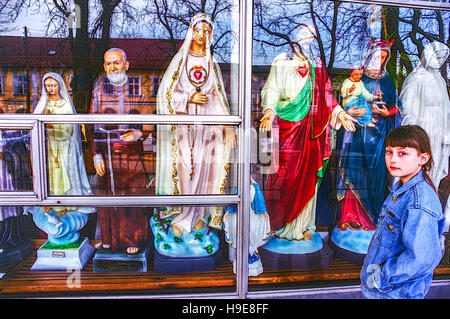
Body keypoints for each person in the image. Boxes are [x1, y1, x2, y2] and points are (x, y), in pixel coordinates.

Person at [259, 24, 356, 242]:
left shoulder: (316, 67)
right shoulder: (281, 63)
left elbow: (327, 96)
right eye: (304, 35)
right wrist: (268, 112)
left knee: (308, 179)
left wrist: (339, 113)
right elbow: (271, 89)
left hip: (311, 133)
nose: (308, 39)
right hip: (287, 130)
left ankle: (303, 226)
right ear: (293, 38)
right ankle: (282, 226)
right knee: (286, 177)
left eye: (311, 36)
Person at [155, 13, 235, 238]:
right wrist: (188, 98)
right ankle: (182, 216)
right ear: (192, 31)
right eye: (198, 30)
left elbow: (217, 96)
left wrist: (227, 126)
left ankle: (198, 214)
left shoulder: (211, 63)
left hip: (205, 129)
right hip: (182, 127)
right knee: (184, 169)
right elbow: (165, 94)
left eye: (207, 31)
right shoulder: (181, 61)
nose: (202, 35)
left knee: (203, 170)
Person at [361, 125, 445, 299]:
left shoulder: (419, 201)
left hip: (395, 293)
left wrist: (381, 278)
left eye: (402, 153)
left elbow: (422, 257)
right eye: (389, 152)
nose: (393, 159)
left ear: (423, 158)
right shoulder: (401, 190)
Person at [335, 39, 402, 232]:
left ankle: (370, 218)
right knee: (355, 170)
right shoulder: (360, 78)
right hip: (358, 133)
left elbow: (397, 105)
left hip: (381, 136)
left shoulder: (388, 79)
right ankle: (349, 216)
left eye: (383, 57)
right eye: (377, 57)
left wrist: (387, 113)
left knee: (376, 176)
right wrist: (352, 111)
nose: (380, 61)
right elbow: (347, 101)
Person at [90, 48, 151, 254]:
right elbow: (91, 124)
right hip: (106, 153)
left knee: (132, 197)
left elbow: (149, 123)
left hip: (131, 155)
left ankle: (133, 239)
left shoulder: (137, 89)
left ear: (126, 64)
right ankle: (110, 239)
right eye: (108, 63)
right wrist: (96, 154)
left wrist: (138, 133)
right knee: (108, 197)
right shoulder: (99, 89)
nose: (112, 67)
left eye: (116, 62)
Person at [29, 72, 95, 245]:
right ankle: (49, 203)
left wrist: (52, 128)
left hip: (63, 149)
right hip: (48, 149)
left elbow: (69, 130)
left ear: (59, 86)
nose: (51, 88)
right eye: (48, 85)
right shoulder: (43, 104)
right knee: (50, 178)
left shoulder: (65, 105)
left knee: (63, 176)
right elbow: (35, 126)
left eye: (53, 85)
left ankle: (64, 205)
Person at [400, 41, 450, 235]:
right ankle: (411, 213)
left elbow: (446, 110)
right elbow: (407, 106)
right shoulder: (416, 77)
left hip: (438, 132)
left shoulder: (440, 80)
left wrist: (446, 130)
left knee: (434, 174)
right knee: (417, 173)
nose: (438, 61)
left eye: (442, 58)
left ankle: (427, 214)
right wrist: (413, 133)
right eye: (436, 56)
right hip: (422, 132)